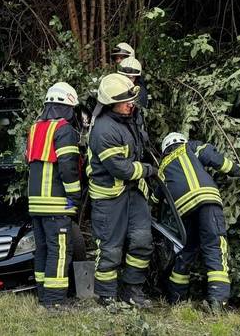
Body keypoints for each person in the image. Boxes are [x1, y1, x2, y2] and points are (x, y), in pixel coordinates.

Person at [158, 132, 240, 311]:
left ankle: (176, 299)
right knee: (215, 246)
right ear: (181, 140)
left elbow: (157, 198)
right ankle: (218, 301)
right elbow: (216, 160)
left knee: (186, 250)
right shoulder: (191, 147)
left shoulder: (162, 168)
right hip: (207, 201)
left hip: (184, 211)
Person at [87, 73, 155, 308]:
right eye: (126, 101)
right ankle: (106, 296)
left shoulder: (129, 119)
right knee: (110, 248)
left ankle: (132, 290)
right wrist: (147, 170)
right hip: (109, 198)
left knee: (142, 241)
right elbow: (121, 169)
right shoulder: (104, 130)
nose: (131, 104)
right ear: (111, 103)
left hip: (133, 193)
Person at [26, 82, 83, 309]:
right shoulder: (64, 129)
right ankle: (55, 301)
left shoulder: (35, 128)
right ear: (67, 106)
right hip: (56, 203)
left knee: (42, 250)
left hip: (36, 203)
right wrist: (75, 195)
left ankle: (43, 294)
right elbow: (68, 166)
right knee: (59, 251)